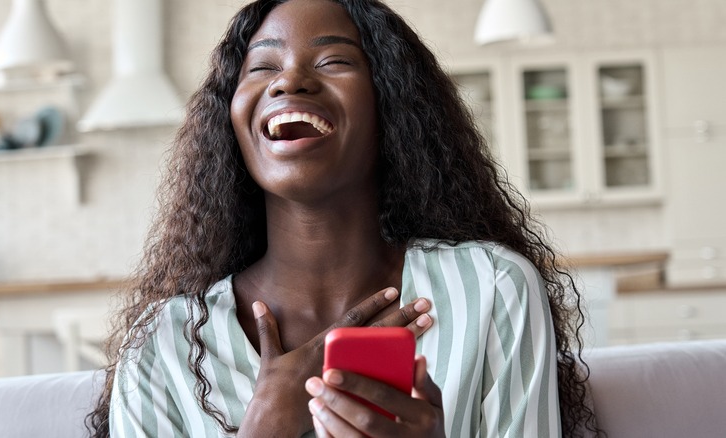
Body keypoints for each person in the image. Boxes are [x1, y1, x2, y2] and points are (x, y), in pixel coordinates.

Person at [89, 0, 599, 436]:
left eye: (333, 60)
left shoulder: (492, 288)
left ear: (391, 106)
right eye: (262, 67)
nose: (290, 79)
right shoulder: (165, 345)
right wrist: (266, 423)